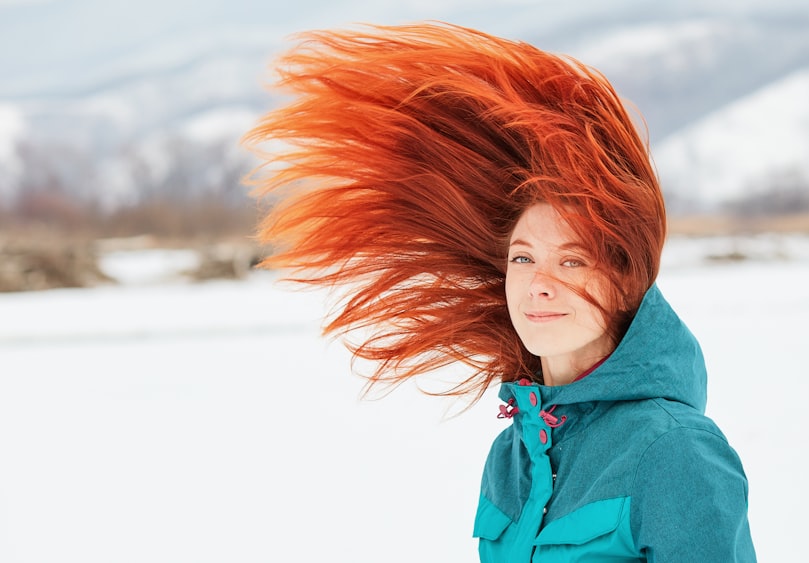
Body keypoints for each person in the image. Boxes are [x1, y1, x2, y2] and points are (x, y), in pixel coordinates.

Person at [244, 22, 755, 562]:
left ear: (625, 278)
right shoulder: (512, 457)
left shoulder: (674, 452)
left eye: (573, 259)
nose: (539, 283)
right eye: (523, 257)